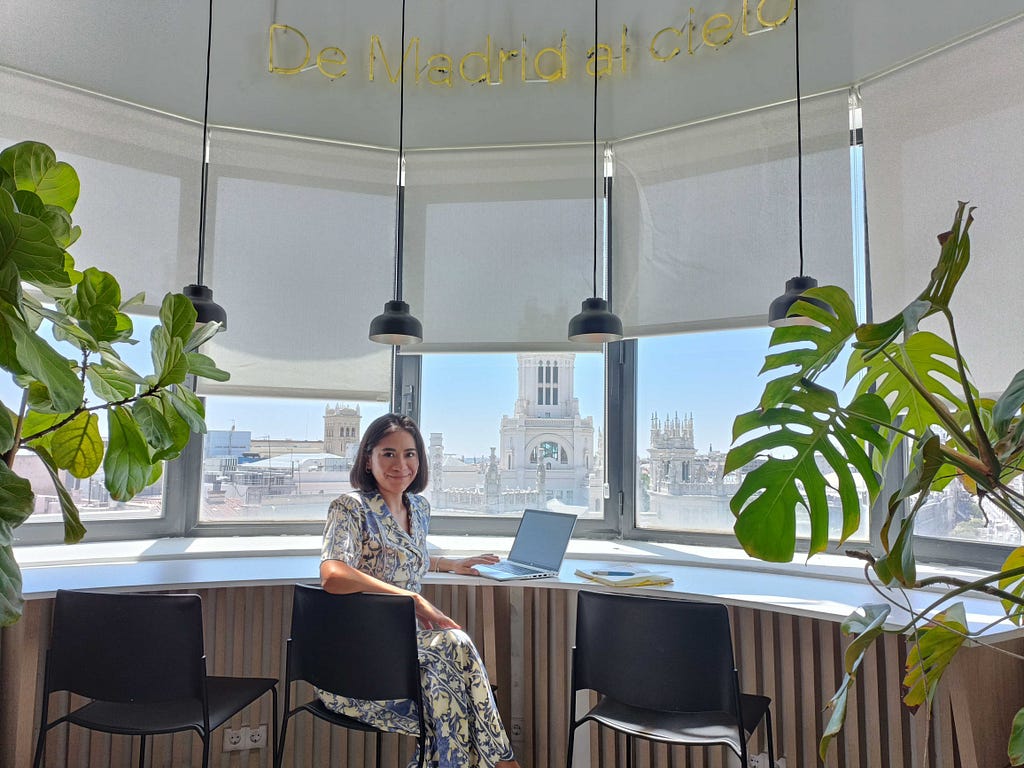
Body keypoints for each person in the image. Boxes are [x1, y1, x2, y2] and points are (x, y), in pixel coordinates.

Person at [319, 413, 521, 768]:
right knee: (453, 651)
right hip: (356, 664)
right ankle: (503, 762)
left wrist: (449, 564)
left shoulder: (419, 508)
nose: (401, 464)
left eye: (410, 454)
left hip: (408, 655)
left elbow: (403, 556)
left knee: (447, 688)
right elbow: (333, 574)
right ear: (368, 459)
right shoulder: (350, 507)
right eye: (389, 454)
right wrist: (412, 598)